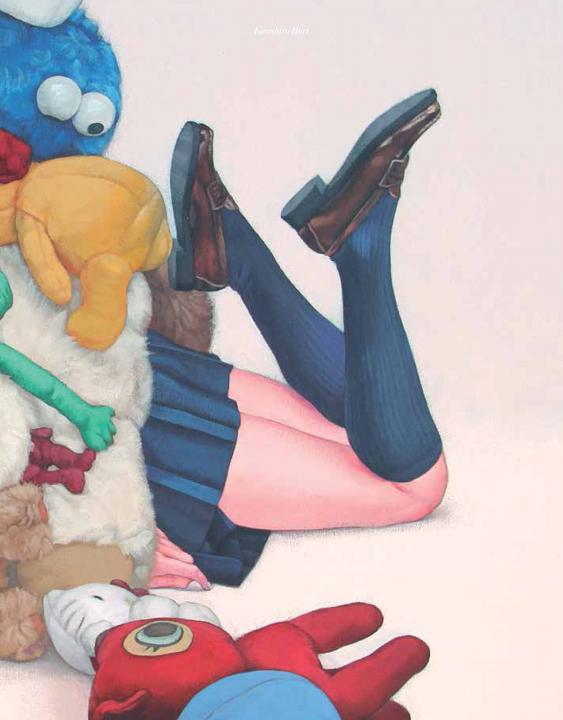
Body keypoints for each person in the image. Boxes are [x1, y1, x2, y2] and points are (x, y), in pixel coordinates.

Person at [144, 89, 448, 587]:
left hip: (110, 417)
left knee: (403, 474)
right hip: (111, 405)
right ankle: (237, 251)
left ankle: (345, 245)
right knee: (391, 458)